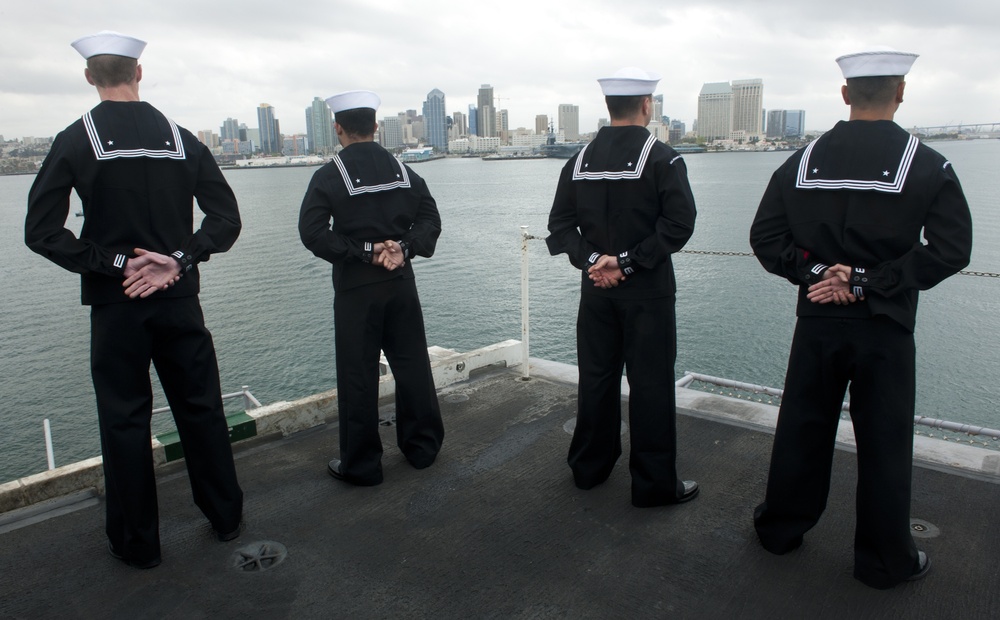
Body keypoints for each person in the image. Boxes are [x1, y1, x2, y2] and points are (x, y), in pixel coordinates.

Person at [749, 47, 973, 589]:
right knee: (885, 442)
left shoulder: (799, 162)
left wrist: (822, 272)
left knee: (802, 427)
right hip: (886, 327)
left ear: (846, 95)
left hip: (817, 319)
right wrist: (870, 280)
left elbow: (766, 238)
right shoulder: (928, 164)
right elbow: (951, 248)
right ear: (901, 92)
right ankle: (883, 561)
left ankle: (781, 530)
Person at [25, 31, 244, 568]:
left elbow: (42, 231)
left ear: (88, 77)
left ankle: (138, 544)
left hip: (116, 305)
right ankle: (225, 518)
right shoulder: (183, 137)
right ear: (139, 72)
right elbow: (226, 219)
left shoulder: (75, 139)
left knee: (124, 419)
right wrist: (180, 258)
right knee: (201, 408)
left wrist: (118, 262)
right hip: (179, 298)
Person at [546, 68, 698, 508]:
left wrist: (594, 261)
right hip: (647, 294)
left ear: (608, 108)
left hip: (595, 292)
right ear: (647, 106)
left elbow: (559, 226)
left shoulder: (579, 160)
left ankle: (589, 469)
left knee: (596, 379)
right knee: (651, 386)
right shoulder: (664, 159)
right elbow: (679, 225)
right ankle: (653, 485)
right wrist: (629, 263)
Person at [299, 90, 444, 487]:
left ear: (338, 128)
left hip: (356, 289)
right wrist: (404, 247)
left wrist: (364, 251)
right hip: (400, 282)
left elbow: (311, 233)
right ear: (376, 126)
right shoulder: (402, 169)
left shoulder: (328, 175)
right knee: (412, 364)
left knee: (358, 374)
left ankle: (362, 466)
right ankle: (423, 448)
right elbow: (430, 218)